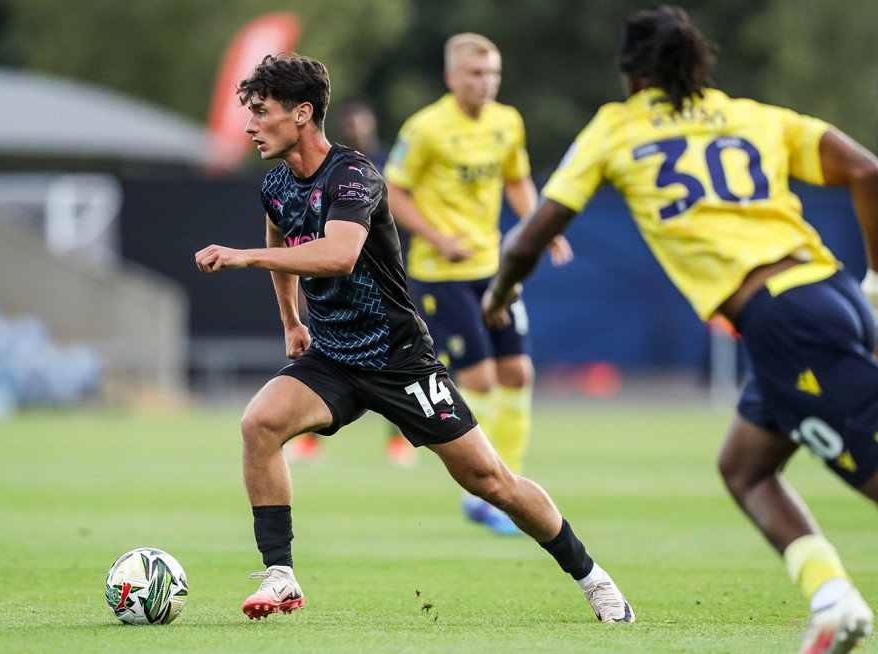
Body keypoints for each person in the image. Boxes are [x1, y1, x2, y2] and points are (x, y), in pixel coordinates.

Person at [482, 6, 877, 653]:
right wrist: (875, 285)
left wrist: (499, 294)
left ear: (629, 75)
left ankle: (838, 603)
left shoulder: (618, 128)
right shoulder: (751, 114)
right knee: (745, 468)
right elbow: (867, 169)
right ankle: (836, 600)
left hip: (783, 320)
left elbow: (532, 235)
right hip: (826, 291)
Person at [195, 52, 635, 624]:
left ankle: (593, 578)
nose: (250, 125)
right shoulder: (276, 185)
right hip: (333, 356)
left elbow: (338, 253)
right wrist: (291, 321)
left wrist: (242, 257)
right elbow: (283, 241)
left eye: (261, 111)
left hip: (399, 361)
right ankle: (280, 575)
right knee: (259, 424)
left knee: (492, 482)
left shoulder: (354, 176)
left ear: (302, 114)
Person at [384, 33, 572, 535]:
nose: (485, 82)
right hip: (441, 273)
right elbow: (393, 191)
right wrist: (435, 236)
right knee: (481, 379)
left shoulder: (507, 122)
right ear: (452, 78)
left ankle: (506, 485)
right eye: (475, 73)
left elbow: (515, 179)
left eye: (492, 73)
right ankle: (482, 489)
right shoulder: (425, 128)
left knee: (518, 373)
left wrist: (539, 228)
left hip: (494, 268)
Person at [287, 95, 417, 467]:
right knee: (324, 357)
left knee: (396, 361)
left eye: (362, 121)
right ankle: (311, 441)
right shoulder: (330, 168)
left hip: (381, 278)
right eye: (351, 122)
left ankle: (398, 440)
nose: (356, 128)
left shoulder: (387, 166)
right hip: (336, 282)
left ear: (372, 123)